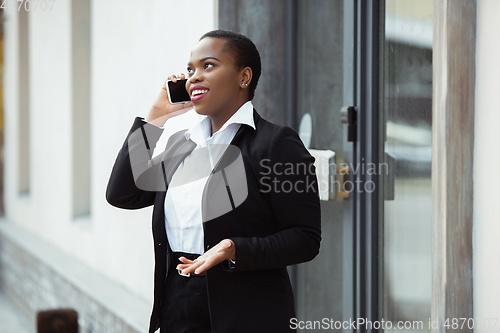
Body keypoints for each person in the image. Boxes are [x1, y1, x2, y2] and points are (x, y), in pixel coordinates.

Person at [106, 29, 321, 333]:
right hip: (177, 302)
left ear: (243, 77)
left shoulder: (276, 143)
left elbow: (305, 238)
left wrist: (234, 249)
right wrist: (155, 119)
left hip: (247, 311)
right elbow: (122, 194)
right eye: (190, 69)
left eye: (208, 66)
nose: (194, 77)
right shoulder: (183, 143)